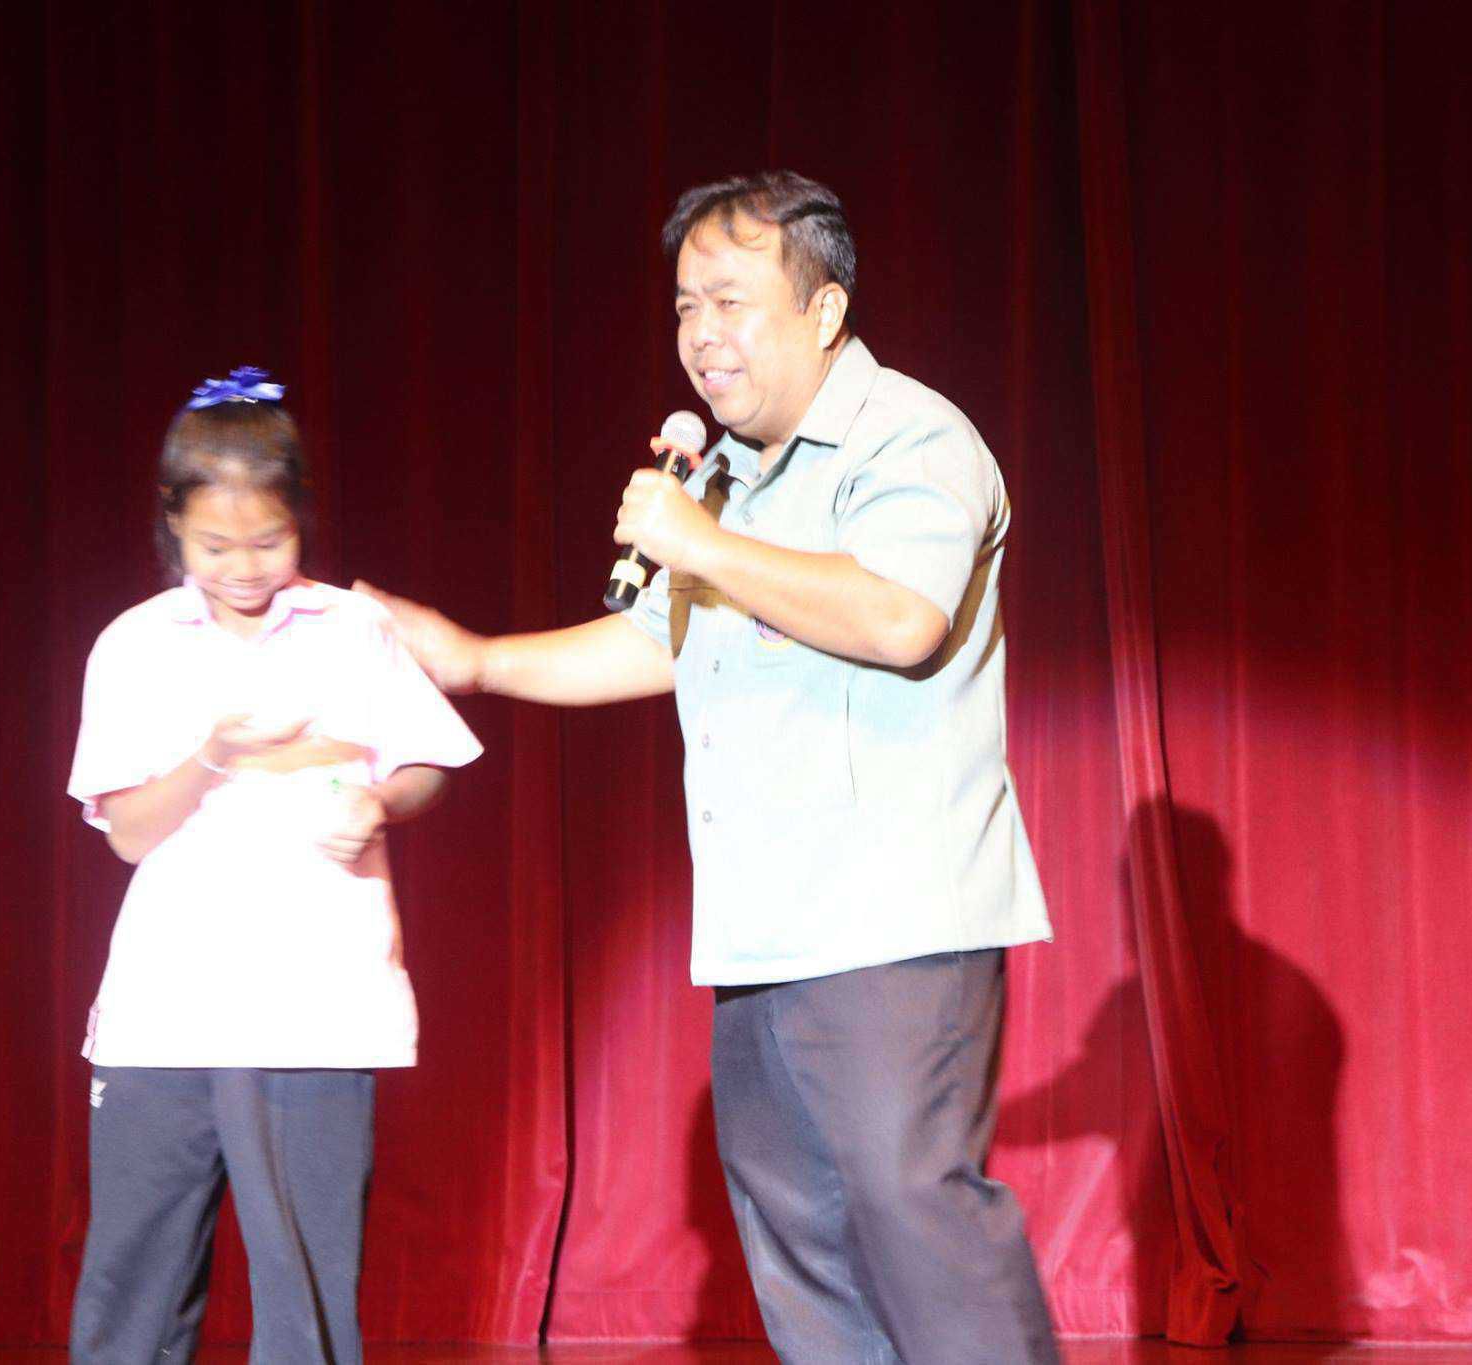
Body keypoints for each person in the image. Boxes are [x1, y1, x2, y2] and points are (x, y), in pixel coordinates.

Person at [360, 173, 1059, 1364]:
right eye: (685, 306)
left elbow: (900, 618)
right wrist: (473, 659)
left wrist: (699, 542)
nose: (700, 334)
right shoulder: (729, 477)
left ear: (823, 310)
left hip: (890, 920)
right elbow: (658, 642)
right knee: (799, 1243)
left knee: (913, 1218)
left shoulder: (911, 436)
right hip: (758, 928)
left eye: (730, 301)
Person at [65, 368, 482, 1364]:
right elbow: (127, 833)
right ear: (173, 525)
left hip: (314, 1005)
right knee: (133, 1295)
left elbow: (429, 763)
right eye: (215, 547)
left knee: (305, 1299)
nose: (244, 568)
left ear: (300, 518)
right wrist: (213, 754)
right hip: (165, 1010)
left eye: (268, 541)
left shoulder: (353, 629)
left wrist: (380, 799)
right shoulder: (133, 645)